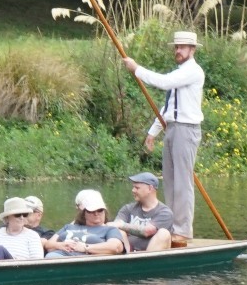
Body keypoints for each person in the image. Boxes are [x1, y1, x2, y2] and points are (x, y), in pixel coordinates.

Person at [122, 29, 205, 238]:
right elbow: (169, 107)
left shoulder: (193, 71)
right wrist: (153, 132)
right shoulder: (179, 72)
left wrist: (136, 69)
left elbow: (164, 82)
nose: (178, 50)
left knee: (182, 182)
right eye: (176, 47)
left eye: (182, 47)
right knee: (169, 180)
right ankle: (171, 226)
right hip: (172, 129)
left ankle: (183, 230)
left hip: (186, 130)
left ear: (192, 50)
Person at [47, 189, 128, 257]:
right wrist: (60, 245)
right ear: (83, 213)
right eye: (91, 211)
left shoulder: (110, 230)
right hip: (57, 257)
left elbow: (116, 247)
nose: (96, 213)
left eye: (100, 210)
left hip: (83, 260)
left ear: (105, 210)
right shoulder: (68, 227)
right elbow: (48, 245)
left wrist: (85, 247)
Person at [114, 173, 175, 252]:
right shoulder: (127, 209)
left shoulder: (165, 212)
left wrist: (122, 225)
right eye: (133, 187)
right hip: (129, 253)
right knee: (119, 231)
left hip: (152, 256)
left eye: (137, 188)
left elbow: (147, 231)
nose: (133, 190)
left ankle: (146, 263)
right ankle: (126, 261)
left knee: (164, 234)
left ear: (150, 189)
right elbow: (115, 225)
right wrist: (120, 226)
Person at [0, 197, 46, 261]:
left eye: (24, 214)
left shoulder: (32, 236)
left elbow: (37, 262)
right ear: (7, 218)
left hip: (18, 269)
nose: (22, 218)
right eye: (18, 215)